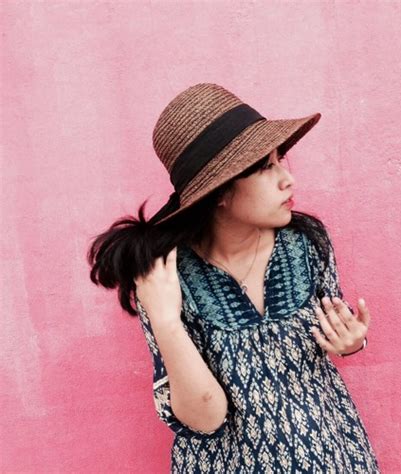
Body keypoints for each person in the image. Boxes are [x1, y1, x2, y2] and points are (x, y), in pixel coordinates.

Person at [87, 83, 380, 473]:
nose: (287, 179)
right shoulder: (164, 276)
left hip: (331, 456)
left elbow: (334, 336)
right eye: (265, 167)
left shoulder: (307, 243)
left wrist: (351, 343)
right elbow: (206, 419)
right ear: (219, 192)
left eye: (280, 160)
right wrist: (166, 321)